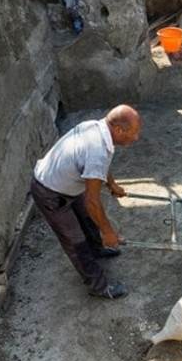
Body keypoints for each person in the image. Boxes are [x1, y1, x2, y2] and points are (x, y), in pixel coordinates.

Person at [30, 105, 141, 299]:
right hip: (50, 193)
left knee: (88, 219)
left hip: (66, 183)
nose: (136, 138)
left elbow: (100, 164)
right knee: (76, 242)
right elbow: (93, 201)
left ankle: (97, 249)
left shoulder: (97, 128)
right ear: (119, 130)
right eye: (133, 133)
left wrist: (112, 183)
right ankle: (99, 287)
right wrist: (108, 232)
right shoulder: (97, 150)